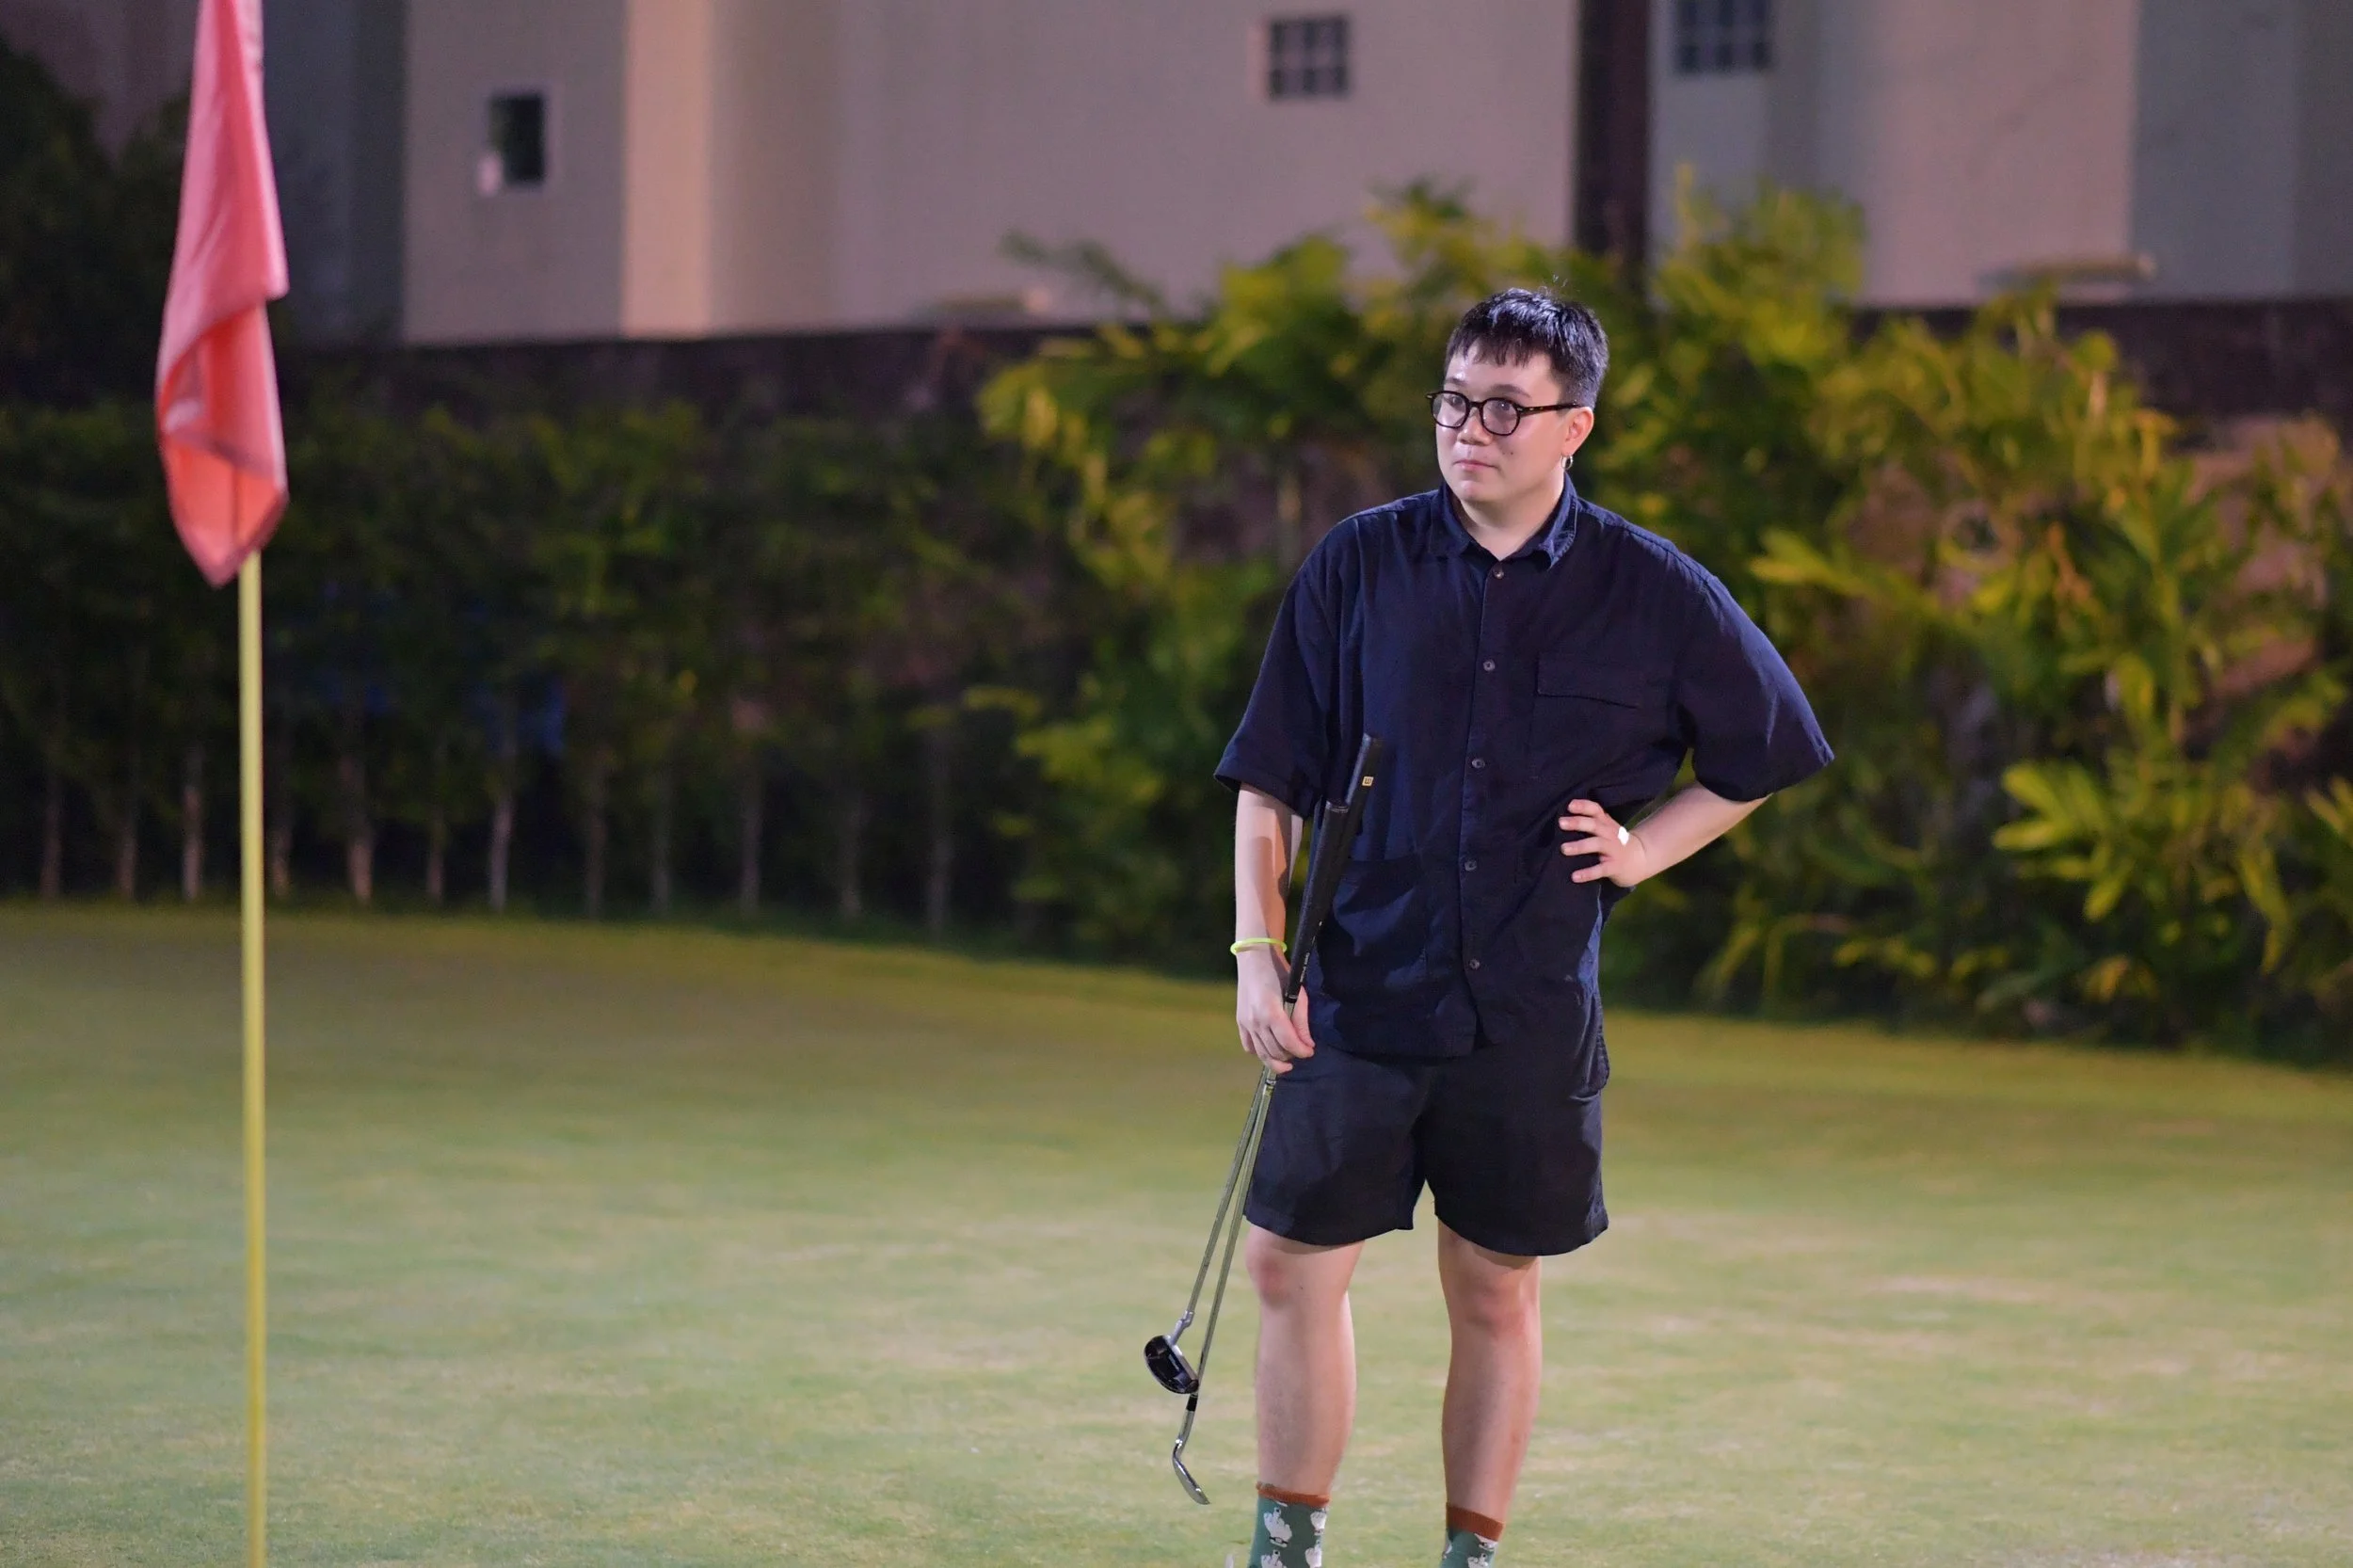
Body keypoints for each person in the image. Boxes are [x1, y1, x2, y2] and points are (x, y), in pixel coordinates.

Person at [1214, 287, 1833, 1568]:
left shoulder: (1651, 590)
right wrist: (1257, 956)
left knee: (1494, 1286)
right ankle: (1288, 1543)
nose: (1469, 429)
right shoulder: (1359, 565)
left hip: (1529, 1008)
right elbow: (1270, 777)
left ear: (1575, 426)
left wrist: (1645, 850)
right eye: (1455, 401)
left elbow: (1766, 747)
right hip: (1357, 992)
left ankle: (1470, 1552)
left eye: (1505, 408)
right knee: (1287, 1264)